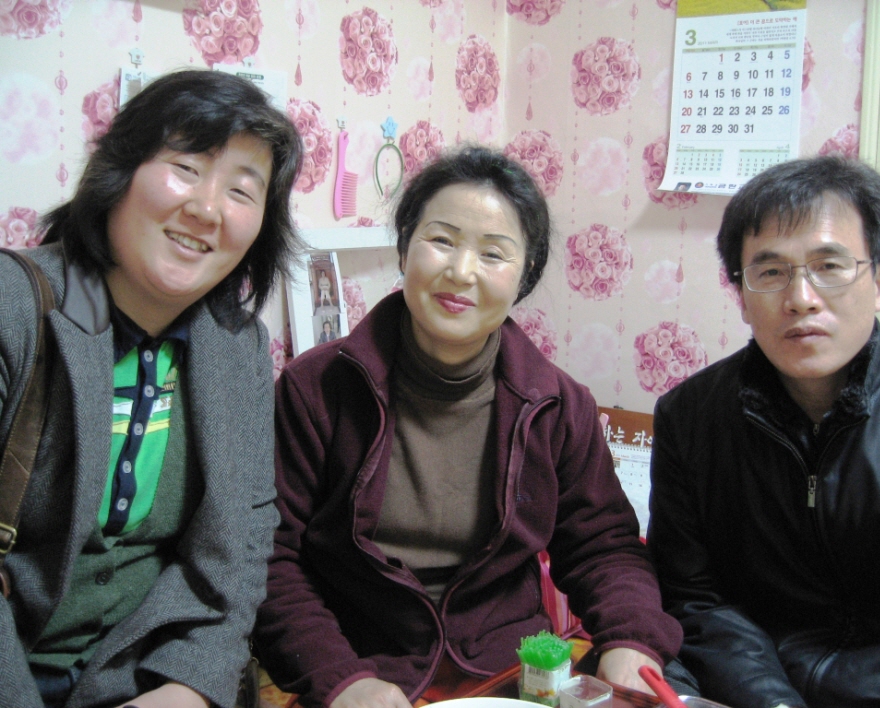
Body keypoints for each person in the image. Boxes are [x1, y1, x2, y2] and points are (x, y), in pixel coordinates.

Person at [254, 146, 683, 708]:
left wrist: (632, 640)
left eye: (493, 253)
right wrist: (341, 678)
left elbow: (604, 546)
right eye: (441, 240)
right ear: (405, 246)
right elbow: (271, 559)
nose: (461, 272)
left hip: (512, 672)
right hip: (361, 672)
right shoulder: (316, 389)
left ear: (525, 275)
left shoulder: (556, 404)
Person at [0, 69, 302, 708]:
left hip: (149, 677)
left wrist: (190, 685)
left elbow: (243, 544)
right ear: (119, 170)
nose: (207, 209)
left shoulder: (238, 346)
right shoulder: (13, 309)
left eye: (241, 191)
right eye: (186, 168)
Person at [648, 155, 880, 708]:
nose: (801, 297)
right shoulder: (689, 417)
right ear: (742, 296)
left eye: (829, 265)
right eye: (770, 273)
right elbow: (695, 599)